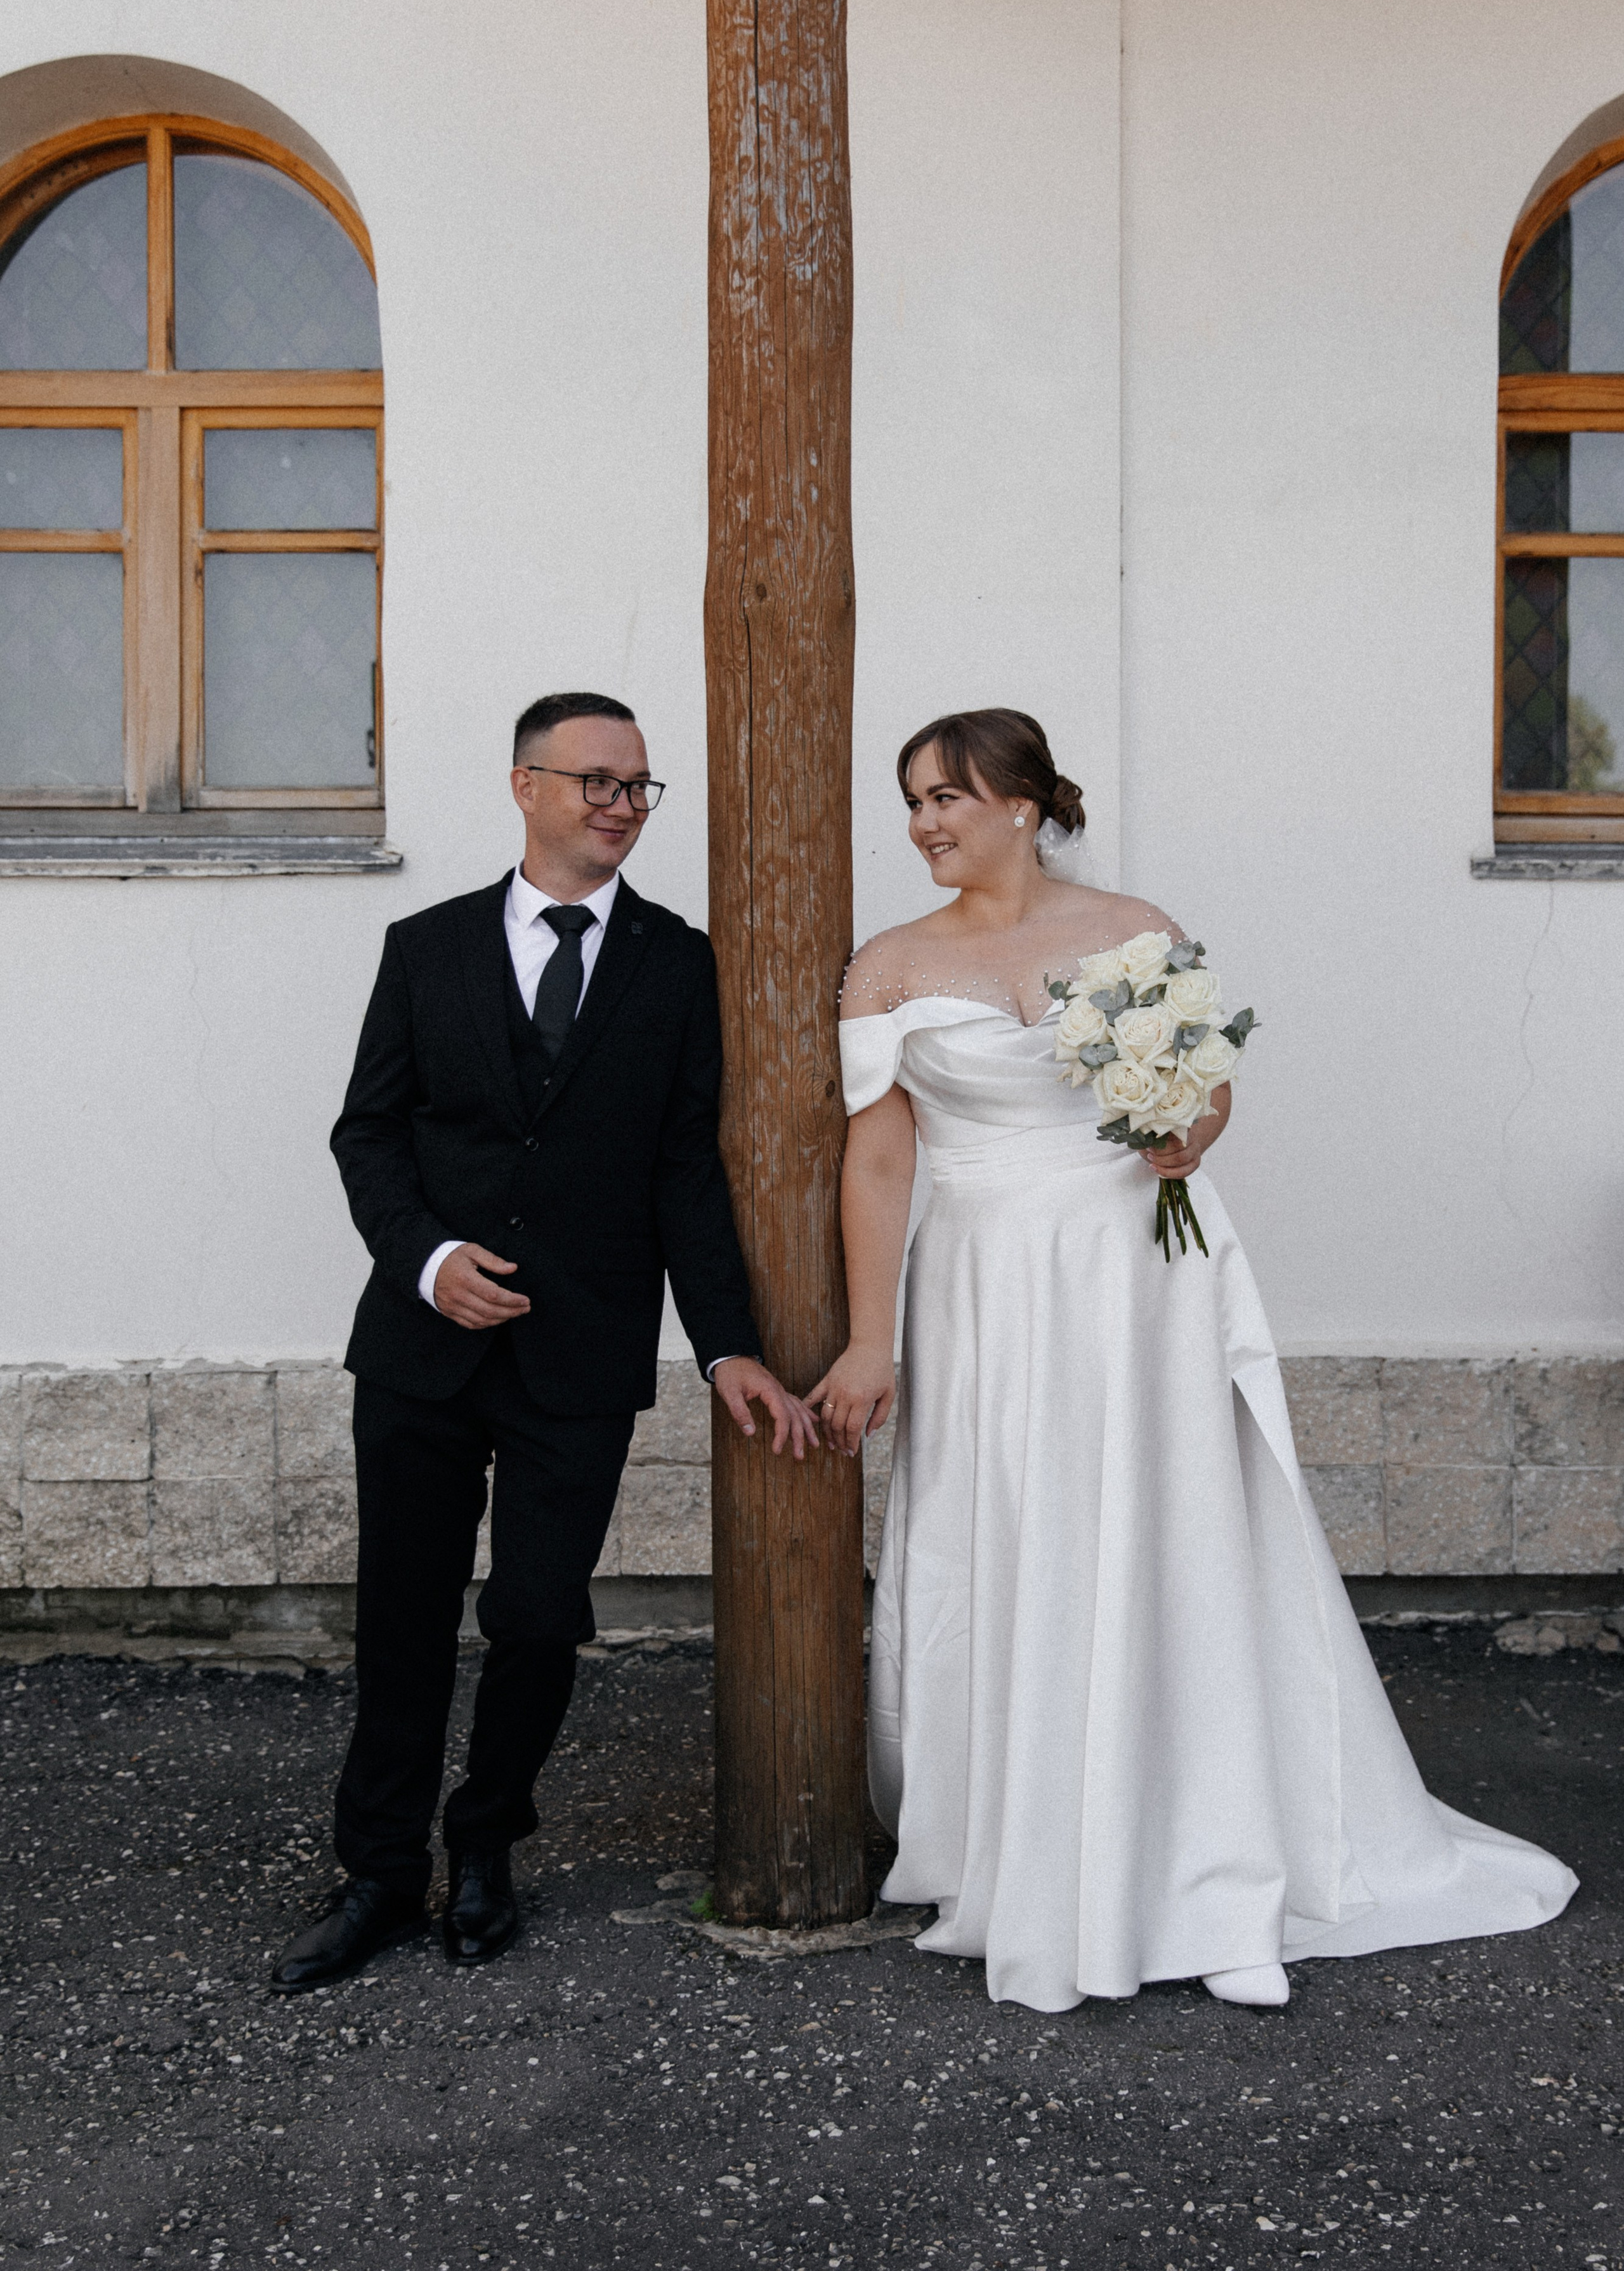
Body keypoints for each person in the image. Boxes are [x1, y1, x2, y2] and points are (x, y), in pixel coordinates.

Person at [809, 706, 1576, 2013]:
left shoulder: (1124, 926)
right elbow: (879, 1159)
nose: (923, 823)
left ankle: (1214, 1871)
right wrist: (868, 1339)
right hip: (987, 1279)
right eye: (912, 801)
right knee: (1013, 1530)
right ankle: (1024, 1848)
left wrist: (1186, 1135)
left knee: (1164, 1534)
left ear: (1020, 803)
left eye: (944, 797)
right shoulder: (885, 964)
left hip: (1134, 1267)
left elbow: (1202, 1092)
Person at [272, 690, 815, 1993]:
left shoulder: (676, 966)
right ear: (526, 787)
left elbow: (687, 1168)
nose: (621, 804)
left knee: (533, 1618)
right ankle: (380, 1876)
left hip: (579, 1355)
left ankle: (486, 1842)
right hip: (420, 1348)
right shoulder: (426, 948)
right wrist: (430, 1260)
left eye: (638, 786)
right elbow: (370, 1135)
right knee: (401, 1617)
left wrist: (726, 1345)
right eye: (595, 781)